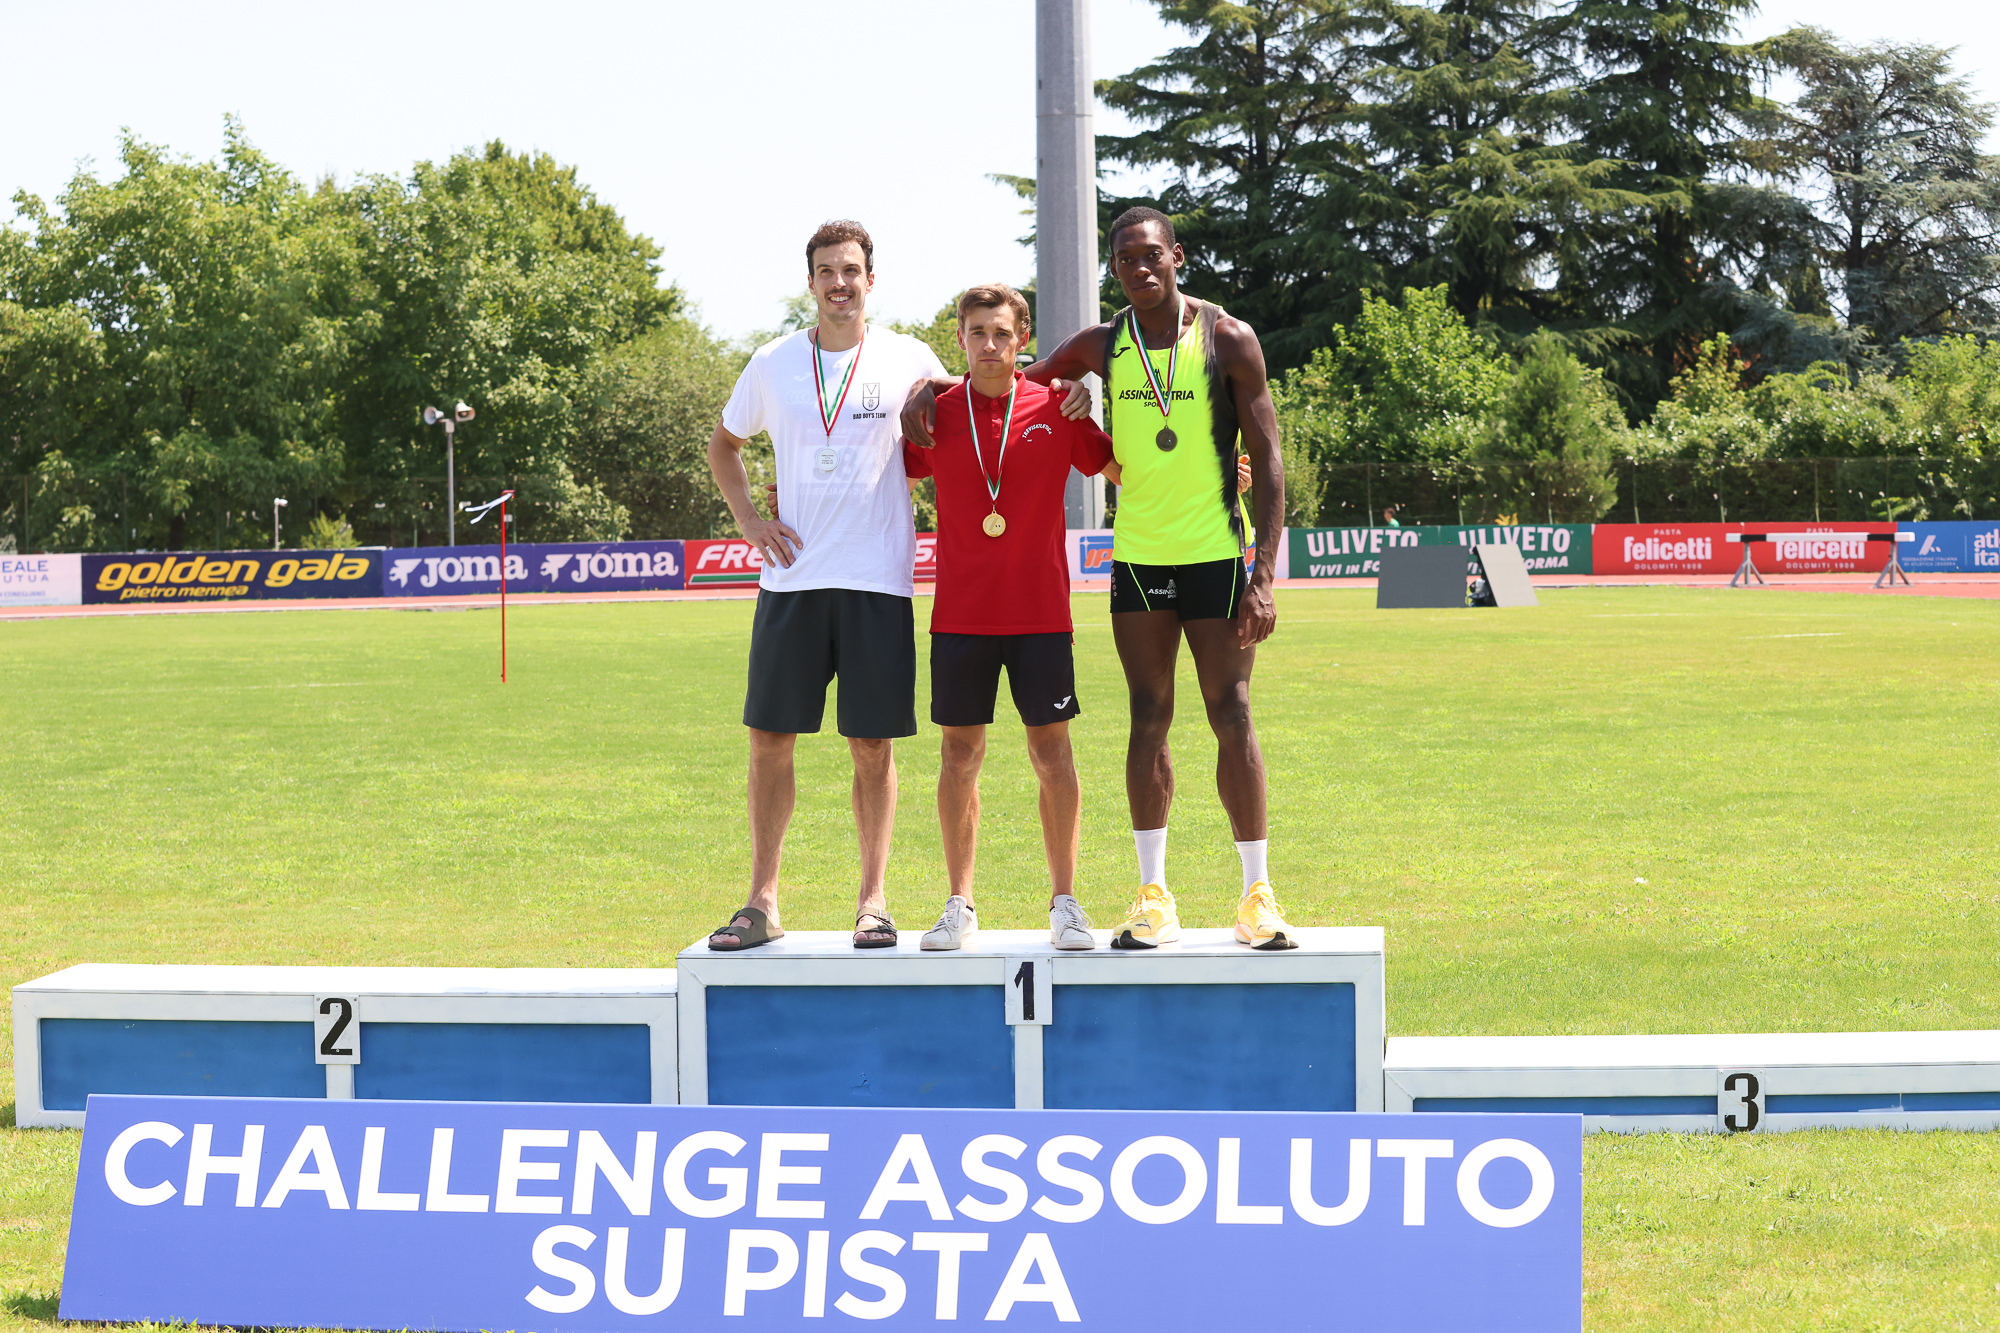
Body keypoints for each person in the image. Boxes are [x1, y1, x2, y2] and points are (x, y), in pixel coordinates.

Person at [904, 206, 1295, 950]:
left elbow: (1270, 457)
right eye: (1125, 260)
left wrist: (1264, 574)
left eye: (1152, 255)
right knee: (1148, 717)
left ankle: (1258, 895)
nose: (1140, 268)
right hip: (1139, 558)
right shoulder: (1100, 344)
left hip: (1217, 552)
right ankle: (1154, 896)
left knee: (1233, 713)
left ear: (1177, 256)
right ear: (1112, 269)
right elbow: (1009, 380)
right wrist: (930, 387)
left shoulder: (1228, 337)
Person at [701, 219, 948, 951]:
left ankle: (873, 900)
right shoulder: (772, 362)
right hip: (792, 581)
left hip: (877, 582)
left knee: (872, 746)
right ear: (810, 282)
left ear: (872, 279)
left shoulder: (910, 357)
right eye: (826, 271)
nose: (840, 283)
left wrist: (1064, 396)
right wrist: (749, 520)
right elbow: (724, 445)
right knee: (769, 740)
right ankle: (762, 900)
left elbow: (972, 415)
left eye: (851, 270)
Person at [902, 284, 1114, 952]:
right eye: (977, 333)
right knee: (958, 755)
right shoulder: (933, 414)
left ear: (1023, 339)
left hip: (1040, 613)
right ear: (960, 339)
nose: (989, 345)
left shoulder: (1057, 405)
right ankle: (959, 902)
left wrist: (1218, 477)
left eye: (1001, 333)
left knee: (1053, 754)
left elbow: (1122, 470)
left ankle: (1065, 902)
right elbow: (873, 480)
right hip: (959, 615)